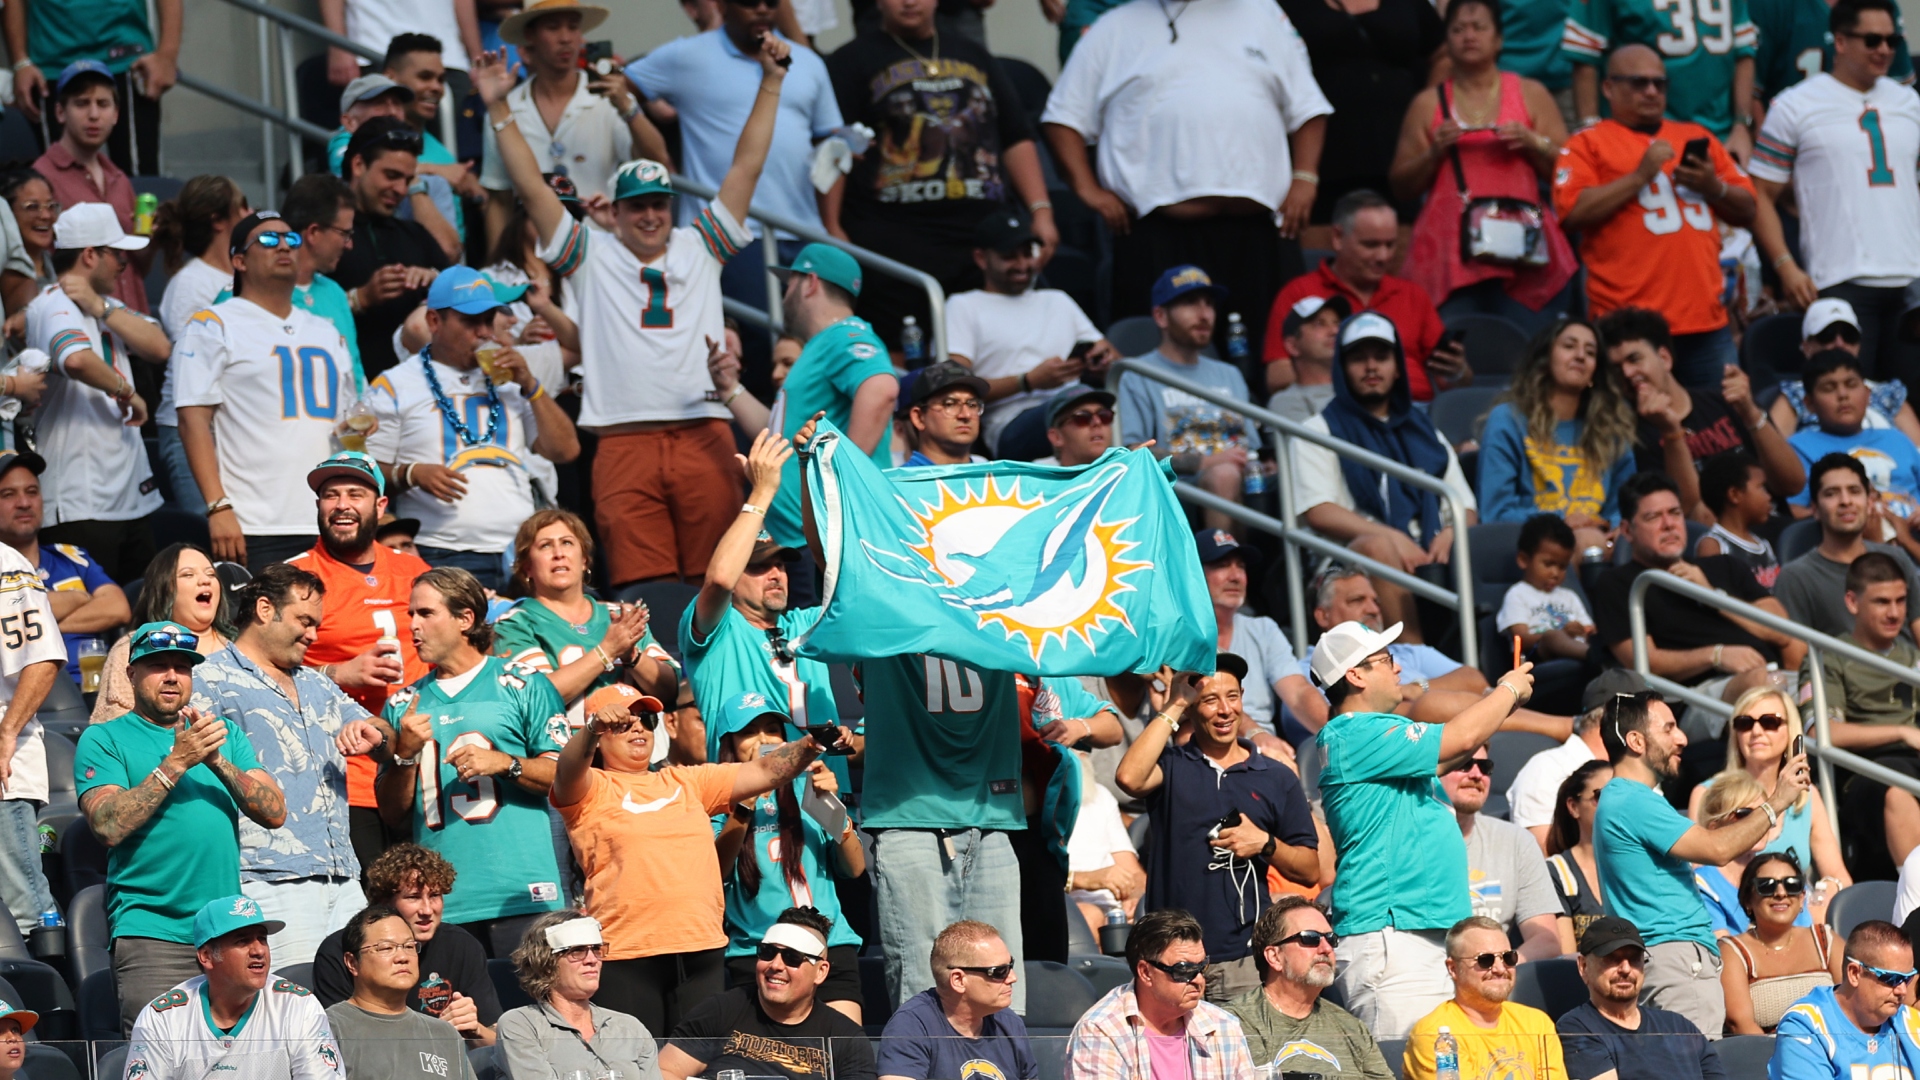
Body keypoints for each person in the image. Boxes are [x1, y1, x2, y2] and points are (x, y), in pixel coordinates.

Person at [482, 37, 785, 590]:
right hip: (622, 438)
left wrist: (771, 81)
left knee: (717, 579)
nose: (649, 216)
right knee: (640, 584)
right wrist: (499, 107)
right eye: (637, 206)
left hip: (703, 430)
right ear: (615, 212)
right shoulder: (590, 256)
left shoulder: (702, 246)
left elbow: (747, 165)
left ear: (671, 206)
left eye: (658, 204)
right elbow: (529, 184)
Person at [1041, 0, 1329, 354]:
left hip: (1260, 233)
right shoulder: (1114, 27)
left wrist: (1305, 177)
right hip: (1159, 235)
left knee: (1275, 360)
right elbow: (1062, 119)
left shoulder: (1263, 14)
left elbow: (1309, 109)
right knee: (1161, 370)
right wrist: (1088, 190)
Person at [552, 674, 833, 1034]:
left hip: (701, 950)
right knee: (639, 1066)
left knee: (699, 1063)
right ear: (601, 735)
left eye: (647, 720)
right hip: (629, 954)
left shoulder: (687, 780)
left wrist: (811, 744)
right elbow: (567, 768)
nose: (638, 728)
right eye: (622, 723)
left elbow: (764, 770)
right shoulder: (588, 789)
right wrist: (590, 730)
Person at [1312, 617, 1536, 1040]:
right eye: (1387, 659)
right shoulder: (1353, 731)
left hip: (1423, 935)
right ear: (1355, 675)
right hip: (1393, 939)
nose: (1399, 669)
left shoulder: (1374, 741)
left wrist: (1505, 706)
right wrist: (1505, 691)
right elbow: (1459, 737)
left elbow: (1456, 748)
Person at [76, 622, 288, 1031]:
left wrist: (216, 760)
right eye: (158, 665)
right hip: (152, 933)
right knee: (157, 1060)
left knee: (238, 1061)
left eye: (182, 666)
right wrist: (176, 762)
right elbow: (106, 825)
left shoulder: (222, 736)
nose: (172, 675)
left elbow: (275, 812)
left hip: (227, 930)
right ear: (131, 674)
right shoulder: (104, 739)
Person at [626, 0, 841, 375]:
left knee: (816, 356)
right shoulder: (687, 55)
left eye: (770, 2)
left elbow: (832, 149)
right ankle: (762, 433)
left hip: (805, 231)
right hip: (733, 234)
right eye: (748, 2)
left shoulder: (807, 62)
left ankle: (808, 434)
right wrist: (654, 134)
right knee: (754, 355)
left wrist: (833, 225)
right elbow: (618, 85)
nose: (761, 9)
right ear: (724, 5)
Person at [829, 0, 1055, 353]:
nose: (909, 2)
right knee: (906, 360)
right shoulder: (849, 61)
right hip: (896, 242)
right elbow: (835, 149)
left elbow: (1015, 136)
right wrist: (832, 227)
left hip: (983, 240)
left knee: (995, 354)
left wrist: (1041, 210)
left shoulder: (974, 54)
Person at [190, 563, 380, 966]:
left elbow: (375, 727)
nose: (313, 634)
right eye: (304, 620)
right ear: (263, 609)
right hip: (269, 878)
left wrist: (374, 733)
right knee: (293, 1005)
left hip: (343, 874)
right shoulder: (209, 681)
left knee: (356, 1005)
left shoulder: (318, 684)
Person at [376, 568, 570, 956]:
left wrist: (504, 763)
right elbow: (393, 814)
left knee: (534, 1012)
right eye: (411, 614)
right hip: (442, 903)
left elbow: (564, 779)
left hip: (524, 892)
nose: (412, 625)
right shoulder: (402, 703)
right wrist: (405, 755)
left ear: (465, 618)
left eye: (426, 614)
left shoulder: (524, 683)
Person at [1593, 688, 1810, 1035]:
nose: (1681, 739)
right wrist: (1777, 802)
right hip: (1676, 963)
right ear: (1636, 741)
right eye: (1668, 728)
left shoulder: (1628, 799)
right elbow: (1716, 850)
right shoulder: (1633, 800)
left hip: (1672, 961)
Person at [1115, 654, 1320, 1001]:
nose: (1225, 710)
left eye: (1233, 696)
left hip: (1244, 960)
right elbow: (1129, 777)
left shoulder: (1275, 776)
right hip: (1171, 960)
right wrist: (1175, 703)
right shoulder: (1172, 766)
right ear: (1193, 706)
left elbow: (1310, 868)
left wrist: (1265, 843)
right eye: (1210, 699)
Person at [364, 267, 579, 589]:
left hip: (521, 551)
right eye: (470, 321)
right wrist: (411, 474)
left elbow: (565, 450)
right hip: (442, 551)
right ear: (435, 322)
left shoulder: (510, 378)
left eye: (488, 320)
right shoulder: (396, 384)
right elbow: (364, 472)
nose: (483, 332)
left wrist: (531, 385)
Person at [1555, 49, 1757, 389]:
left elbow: (1748, 207)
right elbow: (1572, 212)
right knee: (1632, 433)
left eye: (1659, 84)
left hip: (1705, 320)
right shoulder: (1587, 144)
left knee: (1722, 429)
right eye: (1639, 83)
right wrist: (1639, 177)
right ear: (1608, 88)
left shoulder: (1697, 136)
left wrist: (1713, 187)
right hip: (1628, 328)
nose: (1651, 92)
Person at [176, 210, 359, 572]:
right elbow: (191, 421)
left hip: (330, 517)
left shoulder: (326, 330)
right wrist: (218, 506)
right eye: (268, 240)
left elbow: (349, 429)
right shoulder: (213, 324)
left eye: (291, 239)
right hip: (255, 522)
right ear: (239, 260)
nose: (283, 247)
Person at [1752, 0, 1920, 385]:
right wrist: (1785, 265)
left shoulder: (1909, 102)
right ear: (1840, 42)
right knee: (1848, 400)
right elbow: (1761, 194)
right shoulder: (1796, 104)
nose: (1885, 50)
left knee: (1914, 405)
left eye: (1892, 40)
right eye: (1872, 40)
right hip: (1840, 276)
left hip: (1912, 278)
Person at [285, 452, 433, 875]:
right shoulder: (293, 578)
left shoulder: (414, 570)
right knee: (376, 915)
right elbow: (257, 671)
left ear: (380, 507)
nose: (342, 504)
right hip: (343, 779)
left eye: (355, 493)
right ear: (318, 507)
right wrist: (337, 673)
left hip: (425, 771)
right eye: (330, 495)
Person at [706, 243, 896, 569]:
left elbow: (882, 389)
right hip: (805, 540)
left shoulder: (844, 334)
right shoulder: (820, 345)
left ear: (810, 283)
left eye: (789, 284)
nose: (783, 296)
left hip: (825, 538)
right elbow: (778, 433)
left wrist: (843, 477)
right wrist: (729, 389)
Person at [1290, 313, 1477, 643]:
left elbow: (1466, 508)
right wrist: (1392, 537)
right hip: (1345, 564)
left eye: (1381, 357)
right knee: (1377, 546)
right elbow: (1319, 510)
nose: (1371, 367)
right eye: (1359, 358)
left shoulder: (1424, 430)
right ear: (1342, 368)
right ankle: (1416, 654)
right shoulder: (1316, 430)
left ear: (1397, 366)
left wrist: (1451, 531)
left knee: (1475, 545)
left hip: (1428, 559)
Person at [1389, 0, 1574, 332]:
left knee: (1528, 351)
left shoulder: (1531, 93)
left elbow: (1568, 171)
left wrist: (1534, 143)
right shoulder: (1427, 102)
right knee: (1456, 352)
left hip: (1522, 247)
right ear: (1447, 41)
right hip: (1451, 252)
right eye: (1458, 29)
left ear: (1499, 39)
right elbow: (1401, 185)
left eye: (1479, 28)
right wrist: (1433, 153)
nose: (1468, 36)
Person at [1590, 472, 1803, 738]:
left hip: (1776, 678)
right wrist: (1717, 655)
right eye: (1653, 517)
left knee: (1826, 676)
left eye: (1675, 513)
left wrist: (1712, 595)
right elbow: (1645, 662)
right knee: (1762, 686)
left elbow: (1782, 630)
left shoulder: (1723, 566)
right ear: (1626, 530)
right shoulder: (1621, 584)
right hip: (1695, 698)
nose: (1668, 524)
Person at [27, 202, 164, 583]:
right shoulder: (52, 302)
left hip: (129, 496)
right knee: (94, 627)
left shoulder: (107, 306)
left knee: (144, 622)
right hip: (80, 501)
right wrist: (127, 392)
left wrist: (100, 307)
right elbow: (76, 360)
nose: (124, 265)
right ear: (90, 255)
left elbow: (159, 346)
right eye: (117, 255)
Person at [711, 693, 865, 1022]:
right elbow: (715, 872)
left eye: (772, 730)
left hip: (829, 946)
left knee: (843, 1061)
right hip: (760, 952)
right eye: (749, 732)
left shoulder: (806, 786)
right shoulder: (715, 800)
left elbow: (854, 868)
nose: (765, 740)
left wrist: (833, 808)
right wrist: (745, 804)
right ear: (729, 744)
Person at [1269, 193, 1471, 404]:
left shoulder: (1413, 295)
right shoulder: (1299, 292)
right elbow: (1276, 376)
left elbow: (1456, 384)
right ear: (1338, 238)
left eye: (1390, 245)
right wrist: (1360, 379)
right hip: (1336, 406)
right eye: (1371, 245)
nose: (1383, 256)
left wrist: (1457, 371)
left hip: (1415, 410)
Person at [1602, 307, 1803, 516]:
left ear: (1664, 358)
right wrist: (1671, 431)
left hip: (1775, 528)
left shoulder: (1724, 401)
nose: (1626, 373)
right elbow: (1688, 515)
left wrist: (1750, 412)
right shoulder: (1629, 437)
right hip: (1712, 544)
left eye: (1634, 359)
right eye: (1616, 368)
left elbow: (1793, 483)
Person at [945, 210, 1113, 457]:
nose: (1023, 265)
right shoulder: (963, 306)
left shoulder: (1057, 300)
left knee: (1100, 404)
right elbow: (954, 388)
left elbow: (1118, 363)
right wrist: (1028, 381)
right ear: (981, 258)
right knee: (1083, 409)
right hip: (1011, 423)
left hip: (1079, 404)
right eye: (1009, 257)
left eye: (1028, 254)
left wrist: (1102, 363)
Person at [124, 894, 342, 1080]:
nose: (259, 951)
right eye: (242, 941)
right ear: (207, 956)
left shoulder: (298, 1007)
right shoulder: (162, 1018)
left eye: (262, 939)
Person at [1797, 551, 1920, 880]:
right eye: (1882, 602)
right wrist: (1901, 732)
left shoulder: (1913, 657)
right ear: (1852, 602)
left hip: (1913, 758)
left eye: (1901, 601)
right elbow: (1820, 733)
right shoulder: (1828, 655)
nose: (1894, 613)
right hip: (1864, 774)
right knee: (1898, 786)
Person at [481, 0, 667, 214]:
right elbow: (499, 200)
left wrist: (628, 108)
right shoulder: (506, 107)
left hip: (599, 238)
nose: (566, 38)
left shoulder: (610, 99)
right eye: (553, 27)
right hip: (532, 243)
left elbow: (657, 165)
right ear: (530, 36)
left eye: (573, 26)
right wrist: (500, 249)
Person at [1116, 265, 1262, 533]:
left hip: (1243, 481)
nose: (1204, 314)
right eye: (1190, 303)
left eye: (1209, 304)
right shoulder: (1138, 374)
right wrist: (1204, 462)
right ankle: (1218, 568)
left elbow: (1252, 446)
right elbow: (1133, 450)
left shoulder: (1229, 374)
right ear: (1160, 316)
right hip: (1179, 487)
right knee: (1223, 474)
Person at [495, 509, 677, 724]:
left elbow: (671, 690)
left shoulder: (621, 616)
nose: (558, 553)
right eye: (545, 545)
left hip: (630, 751)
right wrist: (607, 650)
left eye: (567, 543)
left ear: (584, 560)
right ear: (527, 568)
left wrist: (632, 656)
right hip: (559, 754)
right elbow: (534, 698)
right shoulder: (514, 624)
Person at [658, 907, 876, 1080]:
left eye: (792, 957)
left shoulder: (845, 1038)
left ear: (821, 972)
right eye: (768, 953)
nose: (776, 965)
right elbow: (665, 1072)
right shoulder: (720, 1010)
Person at [313, 844, 500, 1042]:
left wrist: (474, 1029)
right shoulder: (339, 950)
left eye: (435, 896)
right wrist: (436, 1035)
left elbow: (496, 1043)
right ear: (384, 902)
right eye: (413, 897)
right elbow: (342, 1046)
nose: (427, 910)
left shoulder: (462, 946)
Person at [1477, 318, 1638, 543]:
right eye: (1569, 346)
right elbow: (1496, 514)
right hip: (1530, 544)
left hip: (1601, 546)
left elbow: (1621, 510)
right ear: (1545, 359)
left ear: (1595, 372)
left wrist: (1616, 533)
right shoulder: (1508, 420)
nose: (1580, 356)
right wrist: (1561, 520)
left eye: (1590, 352)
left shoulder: (1611, 430)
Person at [1686, 685, 1849, 897]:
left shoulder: (1806, 795)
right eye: (1744, 723)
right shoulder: (1707, 794)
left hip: (1796, 914)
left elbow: (1839, 875)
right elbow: (1698, 875)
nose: (1756, 731)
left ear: (1790, 731)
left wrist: (1824, 893)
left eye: (1769, 722)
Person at [1064, 908, 1258, 1080]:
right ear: (1146, 973)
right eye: (1184, 970)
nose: (1199, 980)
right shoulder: (1102, 1030)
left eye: (1201, 967)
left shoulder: (1222, 1025)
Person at [151, 175, 250, 514]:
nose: (251, 213)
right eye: (243, 207)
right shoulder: (190, 284)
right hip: (190, 429)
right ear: (220, 221)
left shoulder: (247, 277)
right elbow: (190, 369)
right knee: (214, 534)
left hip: (233, 428)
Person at [332, 117, 450, 379]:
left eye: (408, 180)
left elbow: (467, 297)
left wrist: (434, 280)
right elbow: (299, 305)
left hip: (422, 393)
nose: (400, 189)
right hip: (350, 390)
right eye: (391, 176)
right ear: (359, 164)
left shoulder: (415, 235)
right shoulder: (321, 234)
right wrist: (361, 298)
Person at [1225, 896, 1394, 1079]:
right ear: (1274, 957)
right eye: (1310, 938)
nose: (1326, 948)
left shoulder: (1352, 1028)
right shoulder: (1234, 1024)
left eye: (1331, 939)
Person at [30, 63, 152, 311]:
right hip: (78, 327)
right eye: (82, 103)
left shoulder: (118, 178)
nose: (94, 114)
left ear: (116, 114)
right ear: (60, 112)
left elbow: (137, 267)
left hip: (130, 325)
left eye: (103, 104)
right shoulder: (40, 178)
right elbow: (35, 265)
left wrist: (153, 240)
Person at [0, 450, 129, 685]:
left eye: (32, 492)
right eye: (8, 494)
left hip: (95, 690)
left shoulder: (71, 557)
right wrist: (78, 598)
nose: (24, 503)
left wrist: (40, 629)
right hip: (23, 697)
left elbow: (118, 607)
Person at [1564, 0, 1756, 153]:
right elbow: (1586, 55)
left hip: (1721, 134)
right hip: (1639, 135)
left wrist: (1741, 125)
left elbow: (1744, 51)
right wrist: (1590, 130)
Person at [494, 910, 664, 1080]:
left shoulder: (630, 1028)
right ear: (546, 962)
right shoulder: (521, 1025)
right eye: (577, 951)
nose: (592, 959)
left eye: (596, 949)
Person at [0, 523, 68, 942]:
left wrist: (7, 733)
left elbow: (42, 658)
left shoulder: (6, 565)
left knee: (23, 912)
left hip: (3, 774)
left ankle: (44, 1007)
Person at [1557, 917, 1727, 1080]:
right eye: (1611, 959)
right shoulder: (1577, 1028)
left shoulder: (1679, 1026)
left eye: (1634, 959)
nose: (1625, 969)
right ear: (1583, 966)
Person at [1440, 749, 1567, 961]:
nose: (1475, 774)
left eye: (1484, 767)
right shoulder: (1403, 841)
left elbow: (1546, 941)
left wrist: (1498, 967)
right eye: (1463, 764)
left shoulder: (1516, 841)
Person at [325, 905, 478, 1080]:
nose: (402, 957)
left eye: (409, 946)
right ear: (352, 962)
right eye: (386, 948)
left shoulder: (443, 1033)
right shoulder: (329, 1028)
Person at [1777, 453, 1920, 640]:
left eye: (1854, 491)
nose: (1846, 501)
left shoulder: (1896, 558)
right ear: (1815, 509)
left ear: (1869, 503)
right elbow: (1795, 660)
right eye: (1831, 493)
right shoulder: (1795, 578)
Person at [1403, 916, 1566, 1080]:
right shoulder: (1436, 1036)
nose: (1500, 968)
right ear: (1453, 968)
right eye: (1485, 960)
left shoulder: (1536, 1023)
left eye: (1508, 957)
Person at [1195, 529, 1319, 741]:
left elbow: (1298, 693)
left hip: (1264, 758)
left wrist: (1339, 732)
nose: (1236, 577)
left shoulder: (1263, 629)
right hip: (1206, 746)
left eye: (1241, 567)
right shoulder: (1177, 633)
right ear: (1193, 575)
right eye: (1222, 565)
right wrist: (1255, 733)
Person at [87, 542, 231, 723]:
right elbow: (111, 727)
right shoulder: (133, 647)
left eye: (211, 574)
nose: (205, 580)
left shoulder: (240, 647)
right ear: (164, 589)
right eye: (188, 574)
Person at [876, 920, 1034, 1080]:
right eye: (1000, 971)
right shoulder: (911, 1026)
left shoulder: (1010, 1023)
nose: (1013, 978)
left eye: (1010, 966)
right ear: (958, 980)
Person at [1786, 351, 1920, 534]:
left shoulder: (1897, 438)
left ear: (1867, 394)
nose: (1842, 395)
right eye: (1829, 388)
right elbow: (1796, 513)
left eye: (1851, 385)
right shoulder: (1797, 448)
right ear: (1809, 403)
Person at [1769, 921, 1920, 1079]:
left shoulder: (1911, 1023)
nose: (1902, 991)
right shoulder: (1806, 1027)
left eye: (1907, 979)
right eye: (1892, 979)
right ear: (1855, 973)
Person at [1510, 671, 1636, 849]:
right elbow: (1543, 855)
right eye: (1644, 718)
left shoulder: (1638, 769)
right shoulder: (1547, 769)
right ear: (1613, 720)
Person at [1722, 851, 1843, 1033]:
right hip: (1767, 1055)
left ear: (1802, 897)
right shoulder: (1733, 951)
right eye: (1767, 886)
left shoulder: (1826, 940)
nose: (1781, 893)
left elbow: (1857, 1003)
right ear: (1748, 899)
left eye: (1791, 885)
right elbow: (1739, 1022)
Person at [1768, 300, 1920, 439]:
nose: (1839, 343)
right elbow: (1773, 452)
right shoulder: (1794, 395)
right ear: (1806, 346)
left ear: (1858, 345)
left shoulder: (1890, 394)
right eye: (1827, 335)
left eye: (1849, 335)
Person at [1496, 515, 1597, 666]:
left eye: (1562, 567)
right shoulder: (1517, 594)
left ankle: (1598, 656)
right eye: (1548, 564)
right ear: (1523, 560)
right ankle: (1596, 657)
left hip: (1575, 653)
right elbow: (1520, 638)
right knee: (1552, 637)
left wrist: (1582, 630)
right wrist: (1561, 634)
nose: (1555, 573)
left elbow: (1590, 629)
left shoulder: (1569, 596)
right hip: (1536, 659)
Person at [1545, 760, 1614, 952]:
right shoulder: (1557, 872)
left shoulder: (1642, 866)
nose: (1614, 803)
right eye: (1602, 795)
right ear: (1574, 807)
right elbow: (1567, 958)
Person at [1695, 452, 1781, 590]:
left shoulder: (1763, 544)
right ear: (1734, 494)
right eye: (1762, 487)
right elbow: (1716, 599)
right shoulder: (1713, 545)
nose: (1769, 496)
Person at [1263, 294, 1347, 424]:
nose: (1335, 331)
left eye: (1337, 323)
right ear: (1292, 346)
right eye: (1320, 324)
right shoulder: (1286, 402)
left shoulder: (1360, 390)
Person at [900, 360, 991, 467]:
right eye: (949, 404)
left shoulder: (993, 479)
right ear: (919, 417)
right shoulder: (899, 482)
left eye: (972, 405)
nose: (966, 415)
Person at [1038, 385, 1116, 467]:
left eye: (1104, 416)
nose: (1097, 422)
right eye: (1082, 417)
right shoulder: (1036, 478)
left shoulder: (1129, 473)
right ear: (1056, 437)